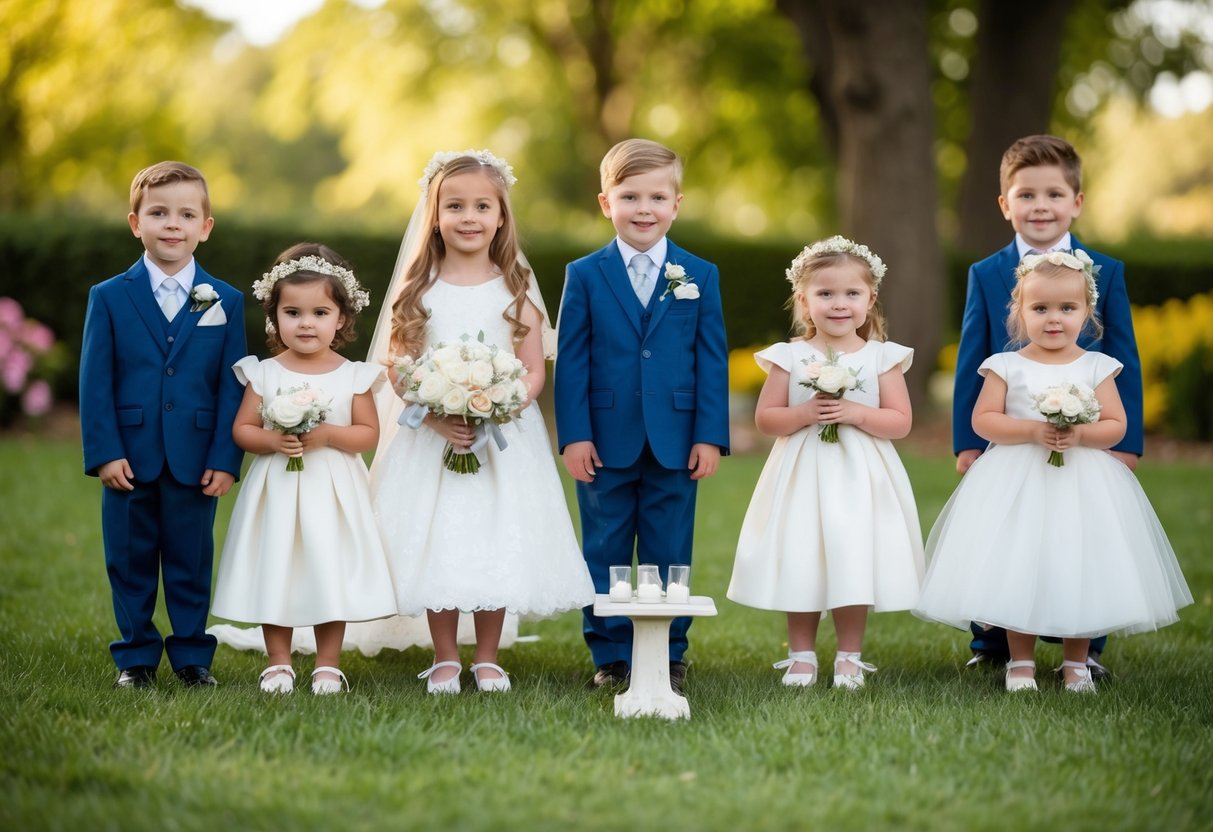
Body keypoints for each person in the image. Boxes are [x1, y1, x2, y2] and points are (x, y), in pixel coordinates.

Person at [368, 149, 594, 695]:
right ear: (435, 215)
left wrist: (502, 402)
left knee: (495, 537)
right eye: (455, 206)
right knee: (437, 540)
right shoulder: (417, 291)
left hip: (502, 439)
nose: (469, 217)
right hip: (429, 435)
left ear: (501, 216)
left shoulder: (514, 285)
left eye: (482, 207)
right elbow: (398, 368)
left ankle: (488, 655)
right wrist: (436, 412)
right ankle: (445, 655)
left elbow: (535, 368)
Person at [917, 252, 1191, 693]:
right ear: (1019, 313)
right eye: (1039, 308)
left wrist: (1081, 435)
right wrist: (1030, 429)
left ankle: (1076, 662)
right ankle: (1020, 661)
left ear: (1087, 313)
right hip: (1017, 480)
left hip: (1082, 483)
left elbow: (1116, 425)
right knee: (1018, 565)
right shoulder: (1005, 366)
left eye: (1067, 308)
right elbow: (983, 420)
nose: (1053, 319)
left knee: (1081, 564)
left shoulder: (1097, 366)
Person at [952, 135, 1144, 675]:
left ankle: (1087, 651)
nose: (1040, 206)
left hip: (1087, 439)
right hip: (1009, 436)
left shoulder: (1106, 270)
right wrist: (968, 443)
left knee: (1087, 534)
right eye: (1026, 195)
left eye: (1054, 194)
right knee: (1002, 530)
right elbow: (974, 360)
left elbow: (1122, 358)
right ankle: (993, 646)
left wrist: (1125, 442)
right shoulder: (986, 273)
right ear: (1005, 205)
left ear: (1076, 202)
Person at [554, 138, 730, 692]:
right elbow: (573, 362)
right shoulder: (584, 274)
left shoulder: (699, 272)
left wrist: (710, 436)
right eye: (630, 196)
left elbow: (711, 359)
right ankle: (610, 656)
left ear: (677, 204)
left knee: (669, 548)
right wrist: (574, 436)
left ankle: (669, 652)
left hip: (677, 439)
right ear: (606, 203)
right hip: (605, 438)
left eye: (657, 196)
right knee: (603, 549)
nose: (644, 208)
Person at [727, 237, 924, 689]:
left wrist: (855, 413)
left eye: (851, 294)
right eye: (825, 294)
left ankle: (850, 656)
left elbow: (900, 422)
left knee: (853, 557)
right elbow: (766, 420)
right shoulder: (790, 356)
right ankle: (801, 656)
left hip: (861, 476)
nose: (839, 305)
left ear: (870, 298)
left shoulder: (882, 357)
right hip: (803, 474)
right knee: (803, 556)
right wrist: (803, 413)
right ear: (803, 300)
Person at [79, 161, 246, 689]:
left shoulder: (226, 300)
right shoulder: (108, 296)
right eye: (158, 213)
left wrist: (225, 458)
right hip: (128, 454)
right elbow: (94, 380)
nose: (172, 224)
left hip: (196, 458)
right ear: (135, 222)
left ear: (205, 226)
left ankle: (193, 656)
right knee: (128, 561)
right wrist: (104, 451)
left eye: (186, 214)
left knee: (191, 560)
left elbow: (232, 385)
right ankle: (135, 658)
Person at [210, 243, 397, 695]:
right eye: (292, 312)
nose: (306, 323)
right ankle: (279, 661)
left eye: (319, 312)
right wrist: (273, 440)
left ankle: (328, 664)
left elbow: (367, 434)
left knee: (327, 571)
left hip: (331, 491)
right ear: (275, 317)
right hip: (277, 489)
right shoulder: (263, 373)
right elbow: (243, 429)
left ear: (342, 318)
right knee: (277, 566)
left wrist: (330, 435)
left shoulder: (353, 375)